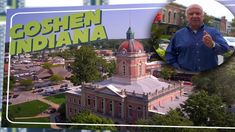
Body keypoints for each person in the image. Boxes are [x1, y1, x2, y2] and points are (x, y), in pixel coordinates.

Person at [165, 4, 229, 72]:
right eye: (191, 14)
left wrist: (213, 45)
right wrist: (177, 68)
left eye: (198, 13)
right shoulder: (178, 34)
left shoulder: (213, 32)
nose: (194, 16)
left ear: (203, 16)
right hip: (184, 76)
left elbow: (225, 49)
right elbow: (169, 54)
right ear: (187, 17)